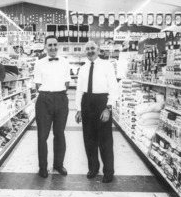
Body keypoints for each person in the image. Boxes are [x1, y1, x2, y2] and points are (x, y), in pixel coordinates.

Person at [75, 41, 118, 183]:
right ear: (84, 51)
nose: (90, 51)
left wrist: (108, 107)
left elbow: (113, 88)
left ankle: (108, 172)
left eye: (92, 48)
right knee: (89, 139)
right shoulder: (83, 68)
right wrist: (79, 109)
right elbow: (79, 90)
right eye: (87, 49)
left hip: (102, 103)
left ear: (98, 50)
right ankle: (93, 168)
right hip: (86, 102)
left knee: (105, 140)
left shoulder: (107, 66)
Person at [34, 35, 70, 178]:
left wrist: (58, 92)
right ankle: (43, 167)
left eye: (55, 44)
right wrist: (49, 92)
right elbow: (37, 85)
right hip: (44, 99)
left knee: (59, 134)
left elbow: (67, 82)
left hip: (61, 98)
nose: (53, 47)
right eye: (50, 45)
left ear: (58, 45)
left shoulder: (65, 62)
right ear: (45, 46)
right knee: (42, 136)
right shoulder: (39, 63)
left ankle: (58, 165)